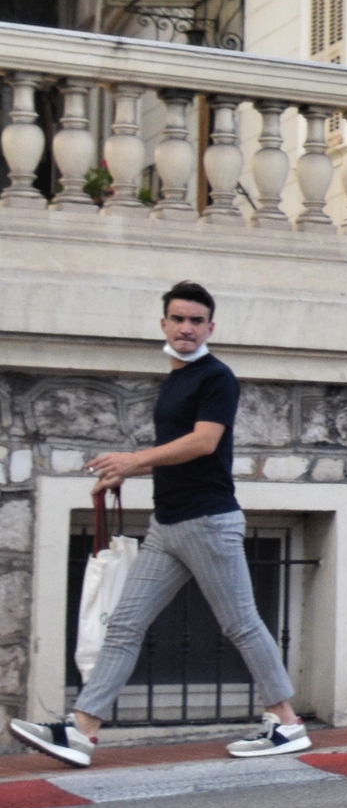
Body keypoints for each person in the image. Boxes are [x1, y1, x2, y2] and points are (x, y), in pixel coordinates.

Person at [9, 283, 311, 768]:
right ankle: (82, 731)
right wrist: (120, 473)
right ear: (163, 324)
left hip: (208, 521)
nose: (187, 327)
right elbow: (177, 455)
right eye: (178, 318)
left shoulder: (217, 378)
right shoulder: (175, 381)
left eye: (196, 320)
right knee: (125, 624)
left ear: (210, 327)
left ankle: (288, 725)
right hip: (169, 525)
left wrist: (132, 460)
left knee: (240, 623)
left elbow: (204, 443)